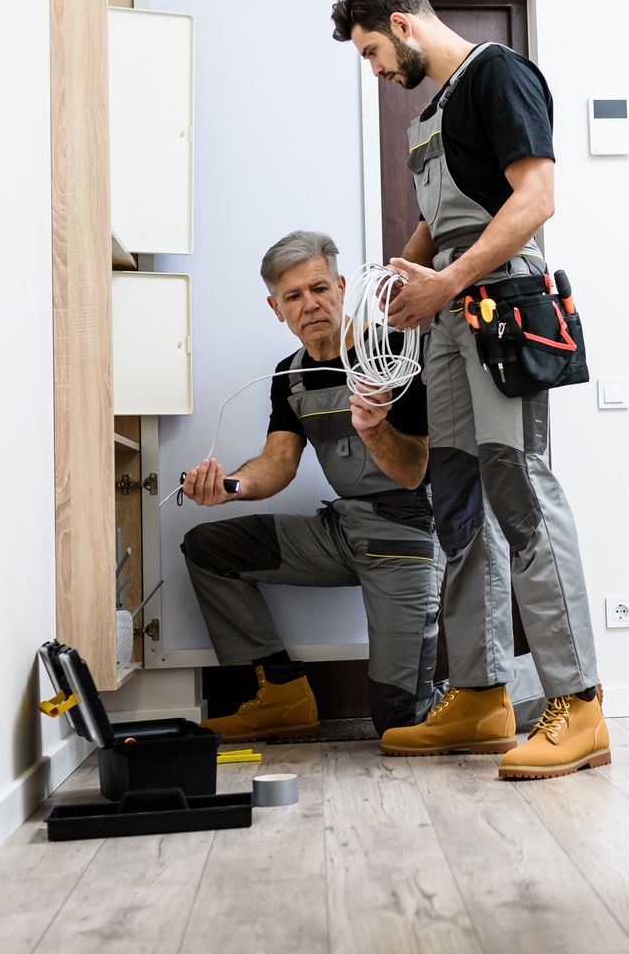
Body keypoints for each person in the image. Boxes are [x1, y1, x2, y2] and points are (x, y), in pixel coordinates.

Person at [330, 0, 608, 780]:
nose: (376, 70)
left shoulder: (499, 75)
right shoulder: (430, 116)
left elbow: (535, 198)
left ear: (402, 26)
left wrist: (447, 282)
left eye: (374, 53)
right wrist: (391, 286)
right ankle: (481, 692)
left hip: (499, 302)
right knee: (456, 497)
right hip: (448, 312)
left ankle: (580, 703)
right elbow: (434, 222)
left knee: (518, 488)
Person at [180, 229, 441, 740]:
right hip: (342, 532)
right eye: (293, 296)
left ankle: (510, 688)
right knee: (209, 548)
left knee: (400, 722)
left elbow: (414, 470)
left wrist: (375, 426)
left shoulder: (396, 352)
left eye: (319, 288)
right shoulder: (289, 377)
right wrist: (227, 486)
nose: (310, 304)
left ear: (342, 287)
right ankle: (282, 695)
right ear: (276, 308)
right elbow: (278, 462)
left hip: (406, 537)